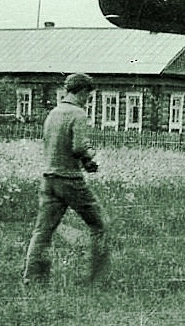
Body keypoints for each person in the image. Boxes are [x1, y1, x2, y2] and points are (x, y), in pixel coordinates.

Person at [23, 73, 108, 284]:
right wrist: (90, 156)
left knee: (43, 231)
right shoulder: (77, 113)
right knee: (100, 226)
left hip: (49, 178)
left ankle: (32, 278)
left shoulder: (53, 113)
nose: (88, 100)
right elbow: (78, 147)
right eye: (88, 95)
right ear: (81, 92)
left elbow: (58, 145)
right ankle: (96, 278)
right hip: (70, 180)